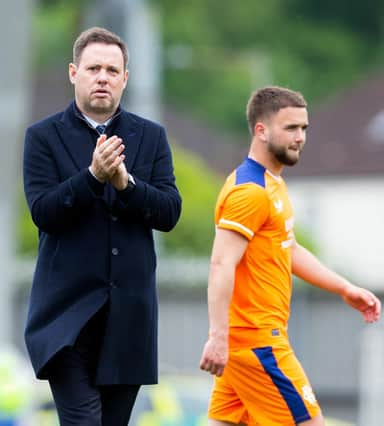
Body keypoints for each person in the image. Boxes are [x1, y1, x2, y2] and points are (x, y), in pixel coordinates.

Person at [22, 27, 182, 425]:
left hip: (128, 319)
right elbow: (43, 211)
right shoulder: (42, 137)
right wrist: (92, 177)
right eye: (94, 68)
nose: (103, 77)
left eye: (113, 70)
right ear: (74, 73)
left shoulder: (150, 136)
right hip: (66, 320)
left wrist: (125, 185)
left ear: (125, 78)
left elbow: (169, 212)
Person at [198, 86, 381, 425]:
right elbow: (221, 263)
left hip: (247, 345)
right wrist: (217, 337)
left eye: (304, 128)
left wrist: (344, 288)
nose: (300, 137)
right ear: (261, 130)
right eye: (291, 128)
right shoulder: (249, 192)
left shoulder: (272, 184)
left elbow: (289, 248)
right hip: (257, 343)